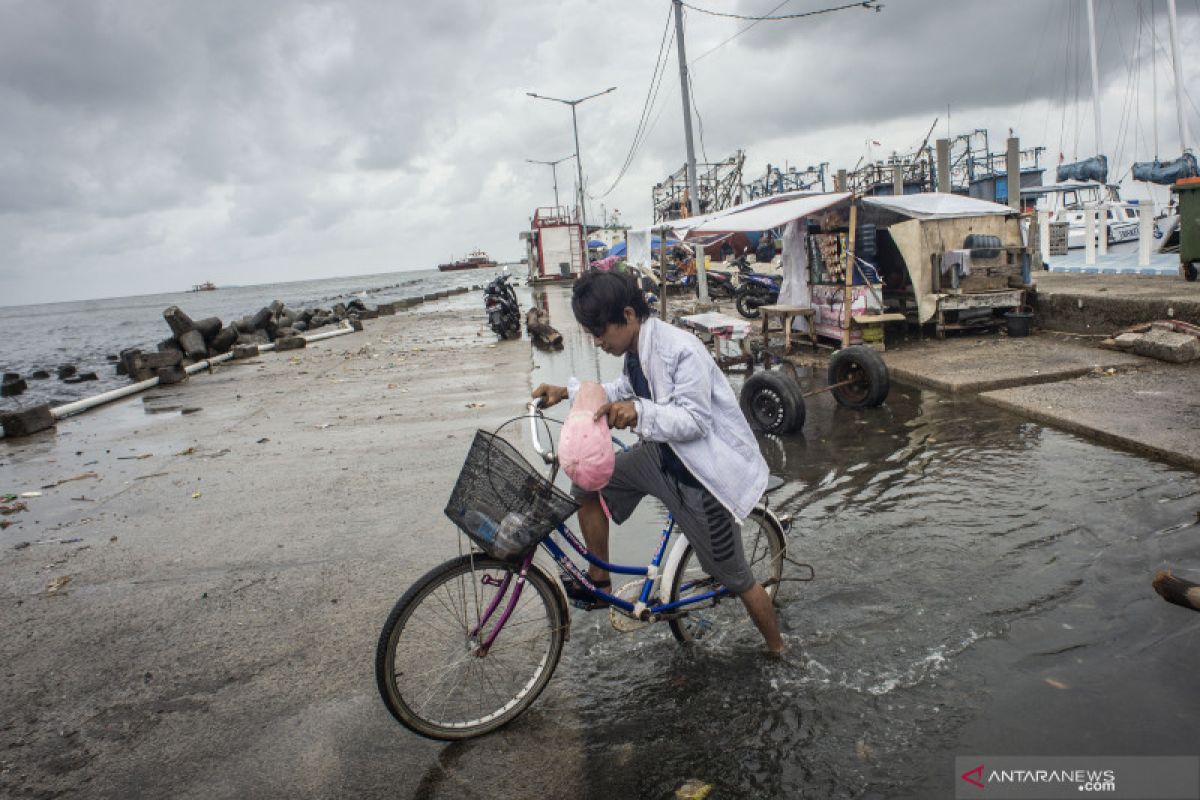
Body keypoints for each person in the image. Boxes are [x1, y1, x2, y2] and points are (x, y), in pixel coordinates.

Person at [532, 271, 785, 654]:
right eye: (592, 334)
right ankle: (600, 580)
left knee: (736, 579)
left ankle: (779, 649)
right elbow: (622, 392)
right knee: (587, 482)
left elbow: (695, 420)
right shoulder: (634, 350)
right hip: (663, 456)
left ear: (629, 315)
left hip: (701, 478)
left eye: (601, 332)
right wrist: (567, 393)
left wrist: (637, 413)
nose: (598, 342)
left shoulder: (679, 350)